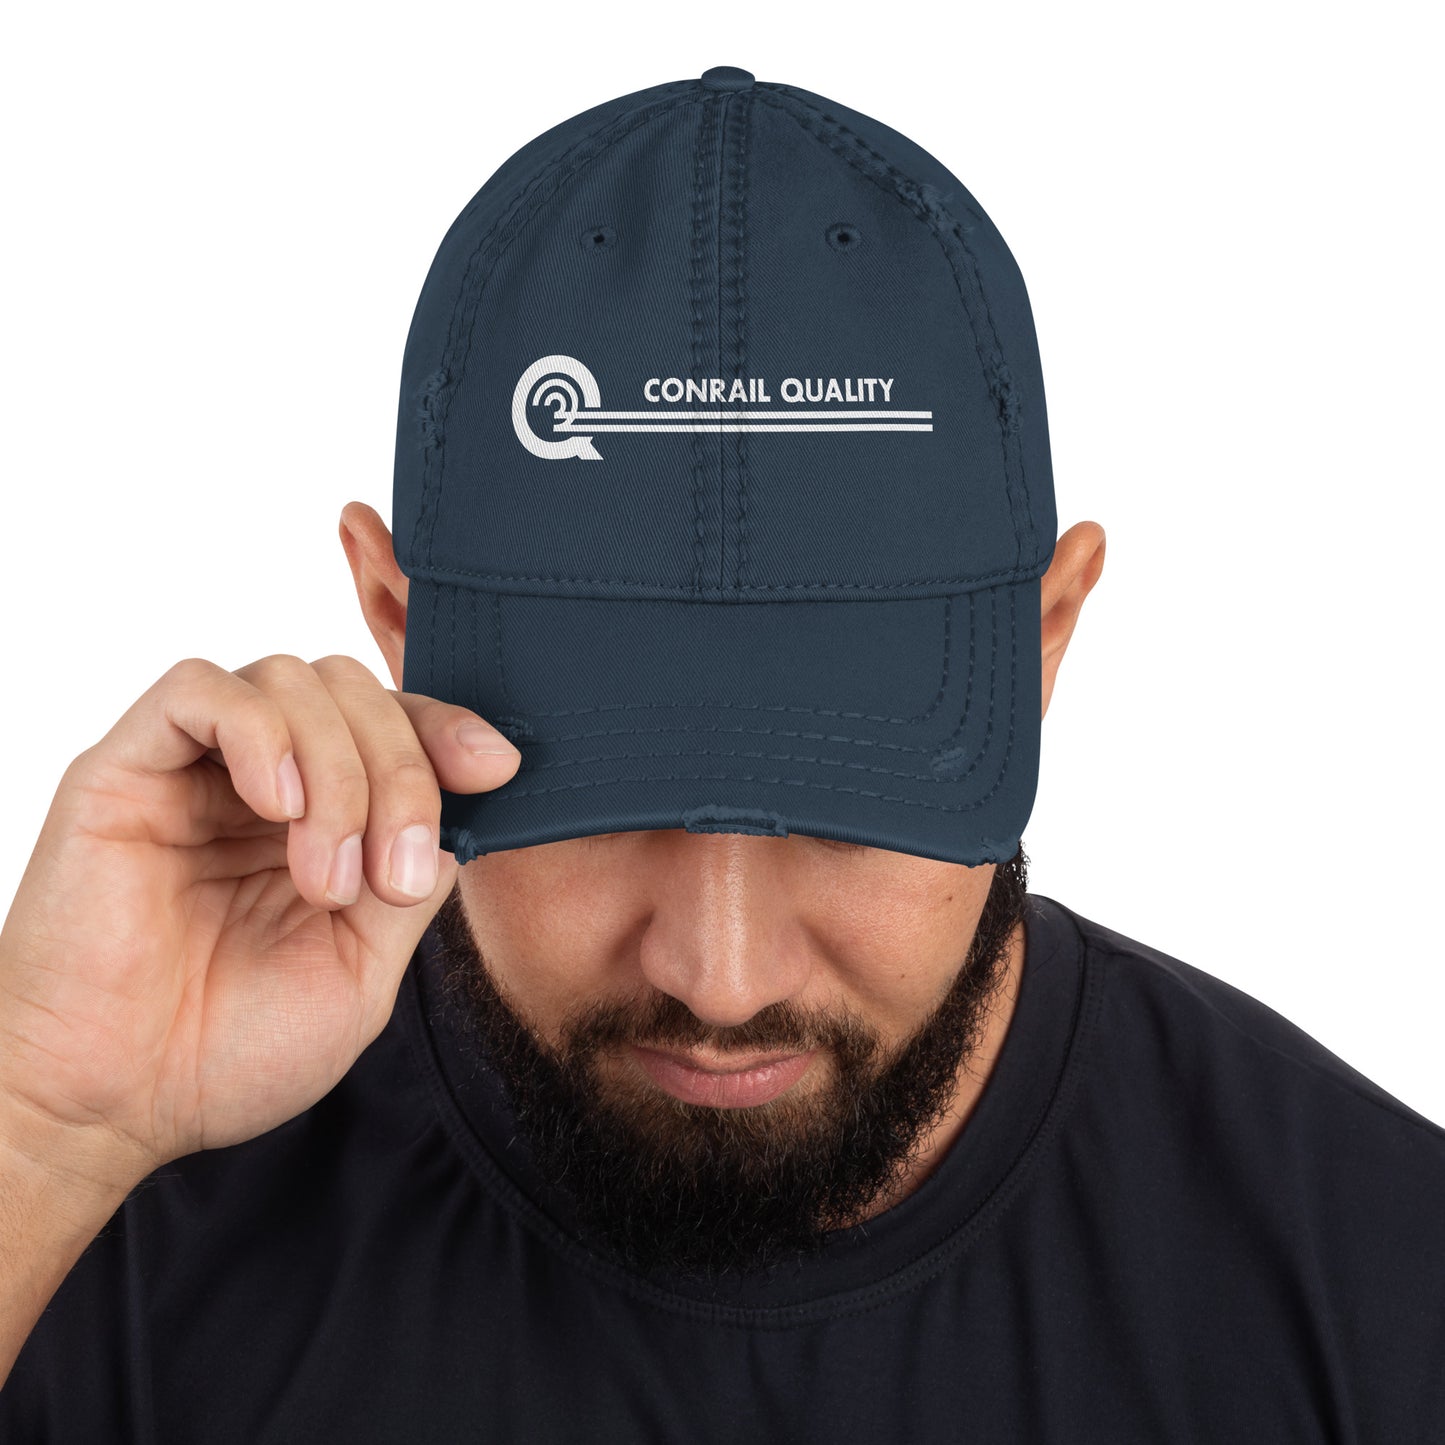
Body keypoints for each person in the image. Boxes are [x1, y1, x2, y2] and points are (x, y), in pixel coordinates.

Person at [1, 65, 1441, 1444]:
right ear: (393, 619)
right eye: (603, 792)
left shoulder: (1383, 1288)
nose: (719, 971)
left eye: (842, 800)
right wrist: (38, 1126)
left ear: (1045, 638)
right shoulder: (107, 1211)